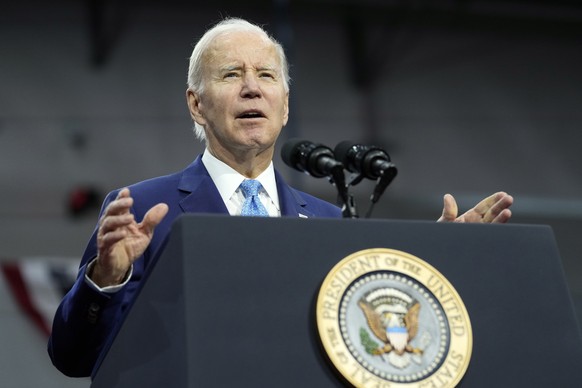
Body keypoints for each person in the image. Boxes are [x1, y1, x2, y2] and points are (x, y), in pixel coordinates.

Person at [47, 17, 513, 378]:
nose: (252, 86)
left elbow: (366, 348)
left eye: (266, 75)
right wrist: (106, 278)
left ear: (285, 105)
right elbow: (72, 358)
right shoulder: (143, 210)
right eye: (232, 74)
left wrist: (431, 265)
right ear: (196, 104)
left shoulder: (333, 221)